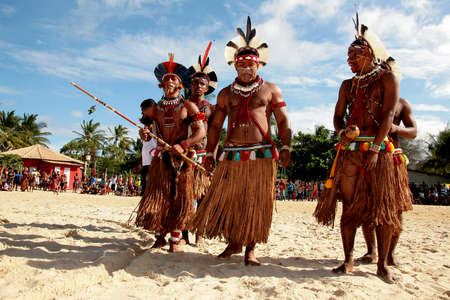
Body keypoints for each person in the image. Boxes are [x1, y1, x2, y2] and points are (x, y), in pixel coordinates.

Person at [190, 17, 291, 265]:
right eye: (241, 64)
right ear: (234, 66)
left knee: (255, 202)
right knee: (232, 200)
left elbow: (284, 121)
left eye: (251, 64)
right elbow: (215, 126)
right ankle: (234, 242)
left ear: (259, 65)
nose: (246, 69)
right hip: (232, 153)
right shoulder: (226, 94)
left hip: (262, 154)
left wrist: (287, 146)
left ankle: (250, 249)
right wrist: (210, 153)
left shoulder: (271, 90)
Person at [314, 15, 401, 283]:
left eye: (355, 55)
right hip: (350, 151)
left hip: (379, 151)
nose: (350, 60)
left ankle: (382, 264)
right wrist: (341, 132)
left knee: (383, 208)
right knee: (350, 206)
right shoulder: (347, 85)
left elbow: (387, 115)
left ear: (370, 53)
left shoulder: (387, 79)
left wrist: (375, 149)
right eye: (348, 56)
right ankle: (348, 258)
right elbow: (338, 116)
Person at [135, 53, 206, 252]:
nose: (169, 83)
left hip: (182, 160)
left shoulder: (188, 106)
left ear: (180, 85)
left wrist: (184, 145)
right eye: (166, 80)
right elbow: (148, 136)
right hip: (161, 159)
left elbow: (201, 131)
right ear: (161, 85)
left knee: (179, 199)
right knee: (159, 197)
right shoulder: (155, 109)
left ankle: (175, 240)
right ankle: (159, 236)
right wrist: (145, 134)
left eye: (173, 80)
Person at [358, 97, 417, 265]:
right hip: (367, 156)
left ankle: (390, 253)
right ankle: (371, 251)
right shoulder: (363, 98)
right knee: (366, 205)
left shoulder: (401, 103)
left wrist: (395, 128)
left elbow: (413, 132)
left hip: (392, 160)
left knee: (395, 208)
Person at [181, 42, 218, 245]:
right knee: (186, 196)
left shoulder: (211, 108)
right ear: (190, 85)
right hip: (185, 156)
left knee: (203, 195)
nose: (198, 86)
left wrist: (213, 157)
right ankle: (185, 233)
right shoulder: (182, 105)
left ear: (207, 87)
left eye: (202, 83)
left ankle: (200, 234)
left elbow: (215, 135)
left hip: (203, 157)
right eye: (195, 83)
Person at [139, 99, 157, 196]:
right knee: (145, 193)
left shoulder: (157, 124)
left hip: (154, 163)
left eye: (144, 109)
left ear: (152, 108)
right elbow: (145, 142)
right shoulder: (147, 126)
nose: (142, 112)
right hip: (146, 163)